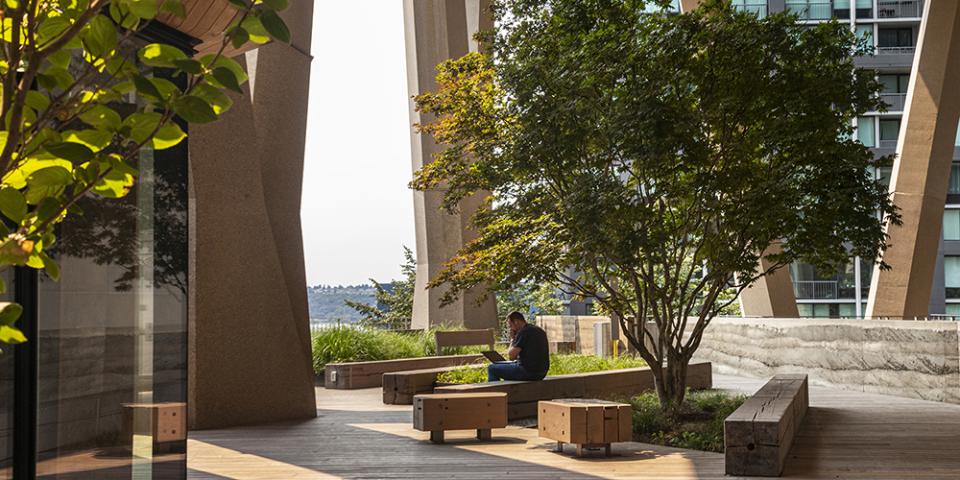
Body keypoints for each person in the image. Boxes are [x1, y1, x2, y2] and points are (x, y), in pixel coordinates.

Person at [487, 311, 550, 381]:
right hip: (542, 373)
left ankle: (495, 391)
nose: (511, 329)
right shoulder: (539, 330)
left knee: (492, 368)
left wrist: (513, 338)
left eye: (510, 325)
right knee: (508, 371)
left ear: (516, 322)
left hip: (528, 372)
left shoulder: (523, 332)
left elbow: (511, 355)